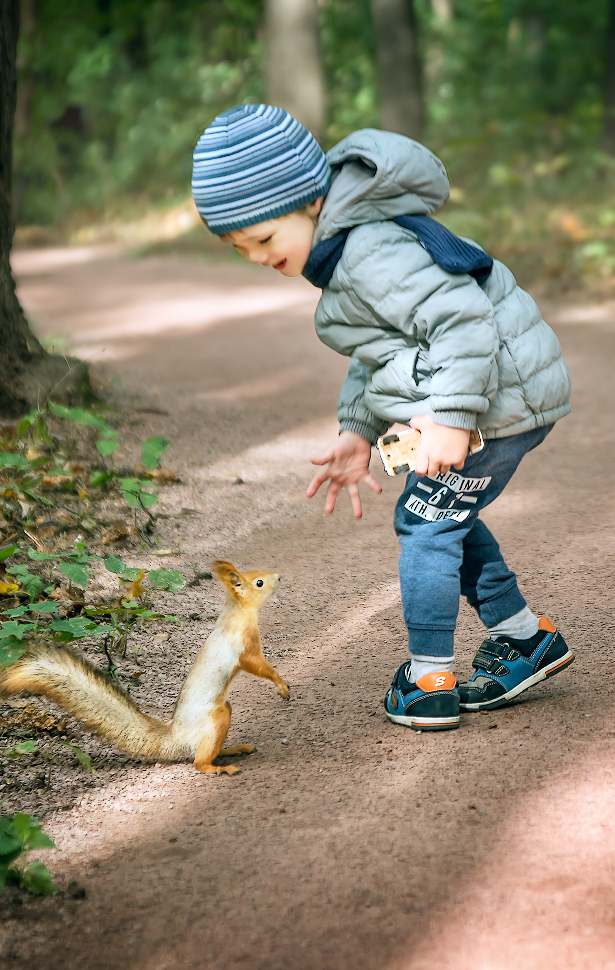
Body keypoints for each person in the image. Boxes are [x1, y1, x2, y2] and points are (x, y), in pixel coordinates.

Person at [192, 103, 575, 730]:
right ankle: (526, 638)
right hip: (488, 397)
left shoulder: (371, 253)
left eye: (264, 238)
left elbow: (463, 321)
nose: (258, 257)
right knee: (443, 518)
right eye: (240, 249)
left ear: (312, 202)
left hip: (493, 404)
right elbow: (383, 351)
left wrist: (452, 417)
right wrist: (357, 431)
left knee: (426, 527)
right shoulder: (348, 250)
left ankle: (429, 678)